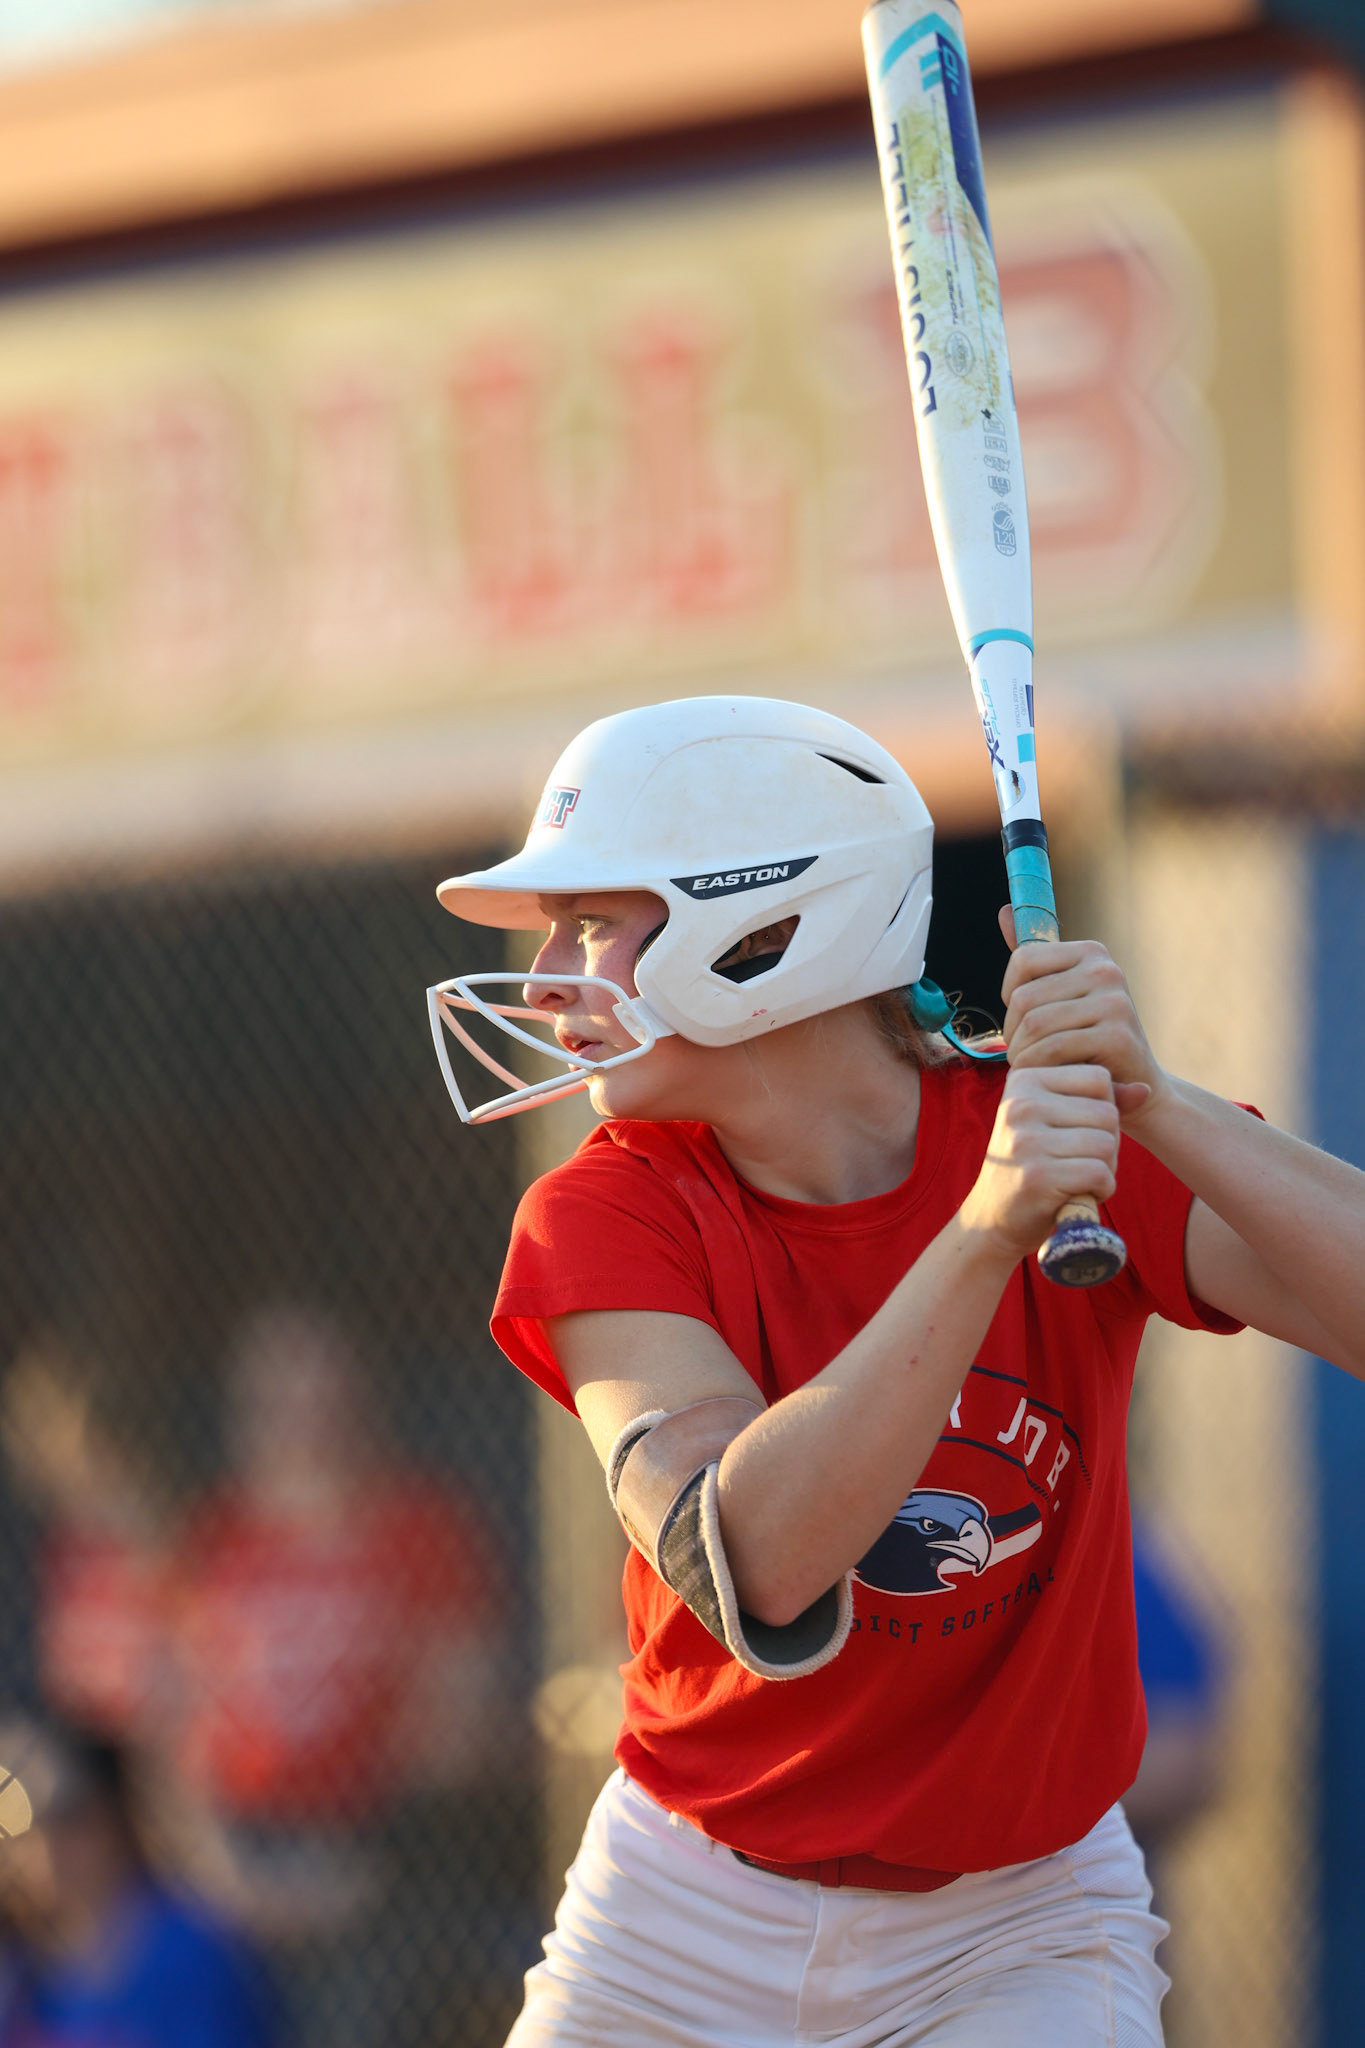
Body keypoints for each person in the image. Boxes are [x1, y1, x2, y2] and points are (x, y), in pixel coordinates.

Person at [426, 695, 1365, 2048]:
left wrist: (1155, 1100)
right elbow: (750, 1556)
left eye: (596, 921)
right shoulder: (604, 1211)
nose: (559, 970)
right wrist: (986, 1231)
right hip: (684, 1912)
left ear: (762, 932)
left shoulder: (1053, 1130)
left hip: (1019, 1924)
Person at [0, 1717, 278, 2048]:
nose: (46, 1845)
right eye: (20, 1824)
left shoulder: (188, 1954)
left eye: (70, 1817)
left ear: (117, 1814)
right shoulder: (22, 1969)